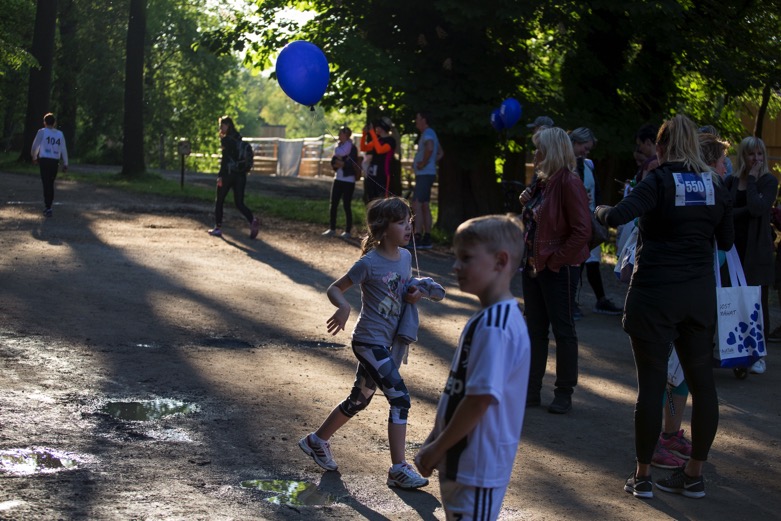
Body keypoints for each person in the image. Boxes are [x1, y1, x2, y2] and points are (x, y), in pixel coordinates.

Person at [595, 114, 733, 499]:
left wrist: (598, 210)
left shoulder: (658, 181)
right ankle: (694, 475)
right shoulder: (715, 185)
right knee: (703, 386)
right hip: (697, 298)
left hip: (654, 296)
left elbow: (617, 216)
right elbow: (725, 242)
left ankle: (642, 477)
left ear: (660, 147)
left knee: (651, 386)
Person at [298, 197, 435, 489]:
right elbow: (335, 288)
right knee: (400, 398)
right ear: (383, 229)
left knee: (359, 400)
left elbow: (402, 290)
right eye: (401, 222)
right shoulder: (369, 263)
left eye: (409, 221)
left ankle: (316, 440)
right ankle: (398, 468)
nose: (408, 227)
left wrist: (413, 294)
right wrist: (343, 306)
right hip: (368, 342)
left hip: (385, 344)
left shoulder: (405, 257)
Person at [414, 215, 530, 520]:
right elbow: (460, 389)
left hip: (477, 468)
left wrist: (437, 448)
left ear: (500, 261)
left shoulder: (496, 326)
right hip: (462, 463)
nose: (455, 267)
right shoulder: (486, 319)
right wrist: (435, 438)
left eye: (466, 259)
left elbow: (479, 400)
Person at [521, 127, 591, 414]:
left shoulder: (569, 183)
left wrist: (555, 261)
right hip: (533, 265)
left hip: (557, 268)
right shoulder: (543, 182)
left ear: (551, 151)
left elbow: (582, 231)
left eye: (539, 148)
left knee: (563, 330)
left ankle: (564, 392)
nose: (535, 153)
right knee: (535, 330)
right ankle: (531, 391)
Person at [724, 136, 777, 374]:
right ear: (742, 156)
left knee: (756, 303)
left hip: (756, 252)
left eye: (760, 154)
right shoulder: (731, 181)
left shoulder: (768, 181)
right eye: (751, 154)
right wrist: (742, 211)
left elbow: (757, 208)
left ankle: (757, 354)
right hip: (733, 250)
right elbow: (725, 212)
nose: (756, 158)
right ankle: (734, 350)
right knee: (732, 299)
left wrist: (753, 179)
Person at [569, 127, 623, 318]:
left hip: (590, 220)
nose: (586, 152)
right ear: (575, 143)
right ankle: (570, 302)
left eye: (589, 149)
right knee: (576, 262)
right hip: (575, 221)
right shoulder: (564, 164)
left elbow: (596, 191)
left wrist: (599, 216)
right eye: (585, 147)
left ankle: (599, 299)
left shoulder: (588, 165)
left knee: (591, 260)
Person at [207, 116, 260, 239]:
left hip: (228, 174)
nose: (220, 128)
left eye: (222, 126)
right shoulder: (239, 138)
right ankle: (252, 220)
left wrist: (220, 176)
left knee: (219, 200)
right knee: (239, 203)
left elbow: (225, 160)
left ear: (227, 125)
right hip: (241, 175)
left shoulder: (226, 140)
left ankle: (218, 228)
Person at [409, 111, 443, 250]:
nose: (416, 121)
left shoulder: (428, 133)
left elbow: (430, 148)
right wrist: (431, 163)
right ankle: (426, 237)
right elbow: (440, 152)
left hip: (424, 174)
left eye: (417, 118)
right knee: (424, 205)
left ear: (424, 120)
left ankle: (417, 237)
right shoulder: (431, 133)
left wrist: (423, 163)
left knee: (416, 203)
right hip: (427, 173)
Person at [322, 126, 358, 239]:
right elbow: (334, 162)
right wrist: (339, 163)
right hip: (338, 178)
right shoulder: (338, 147)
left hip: (349, 180)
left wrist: (342, 163)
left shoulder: (352, 148)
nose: (338, 135)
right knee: (333, 204)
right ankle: (332, 228)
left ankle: (347, 231)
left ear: (346, 135)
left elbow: (351, 163)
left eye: (341, 133)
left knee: (346, 205)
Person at [31, 113, 69, 217]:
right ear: (54, 123)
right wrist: (65, 163)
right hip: (54, 161)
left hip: (44, 160)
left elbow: (35, 146)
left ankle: (47, 206)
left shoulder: (42, 132)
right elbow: (63, 149)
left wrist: (34, 157)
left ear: (44, 122)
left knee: (46, 182)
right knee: (51, 183)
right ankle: (49, 206)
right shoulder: (60, 134)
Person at [360, 117, 396, 202]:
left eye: (377, 126)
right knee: (371, 198)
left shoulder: (391, 141)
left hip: (383, 174)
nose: (375, 128)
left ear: (382, 127)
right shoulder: (378, 140)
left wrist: (372, 132)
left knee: (382, 199)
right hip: (372, 173)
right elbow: (363, 148)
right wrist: (364, 134)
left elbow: (380, 150)